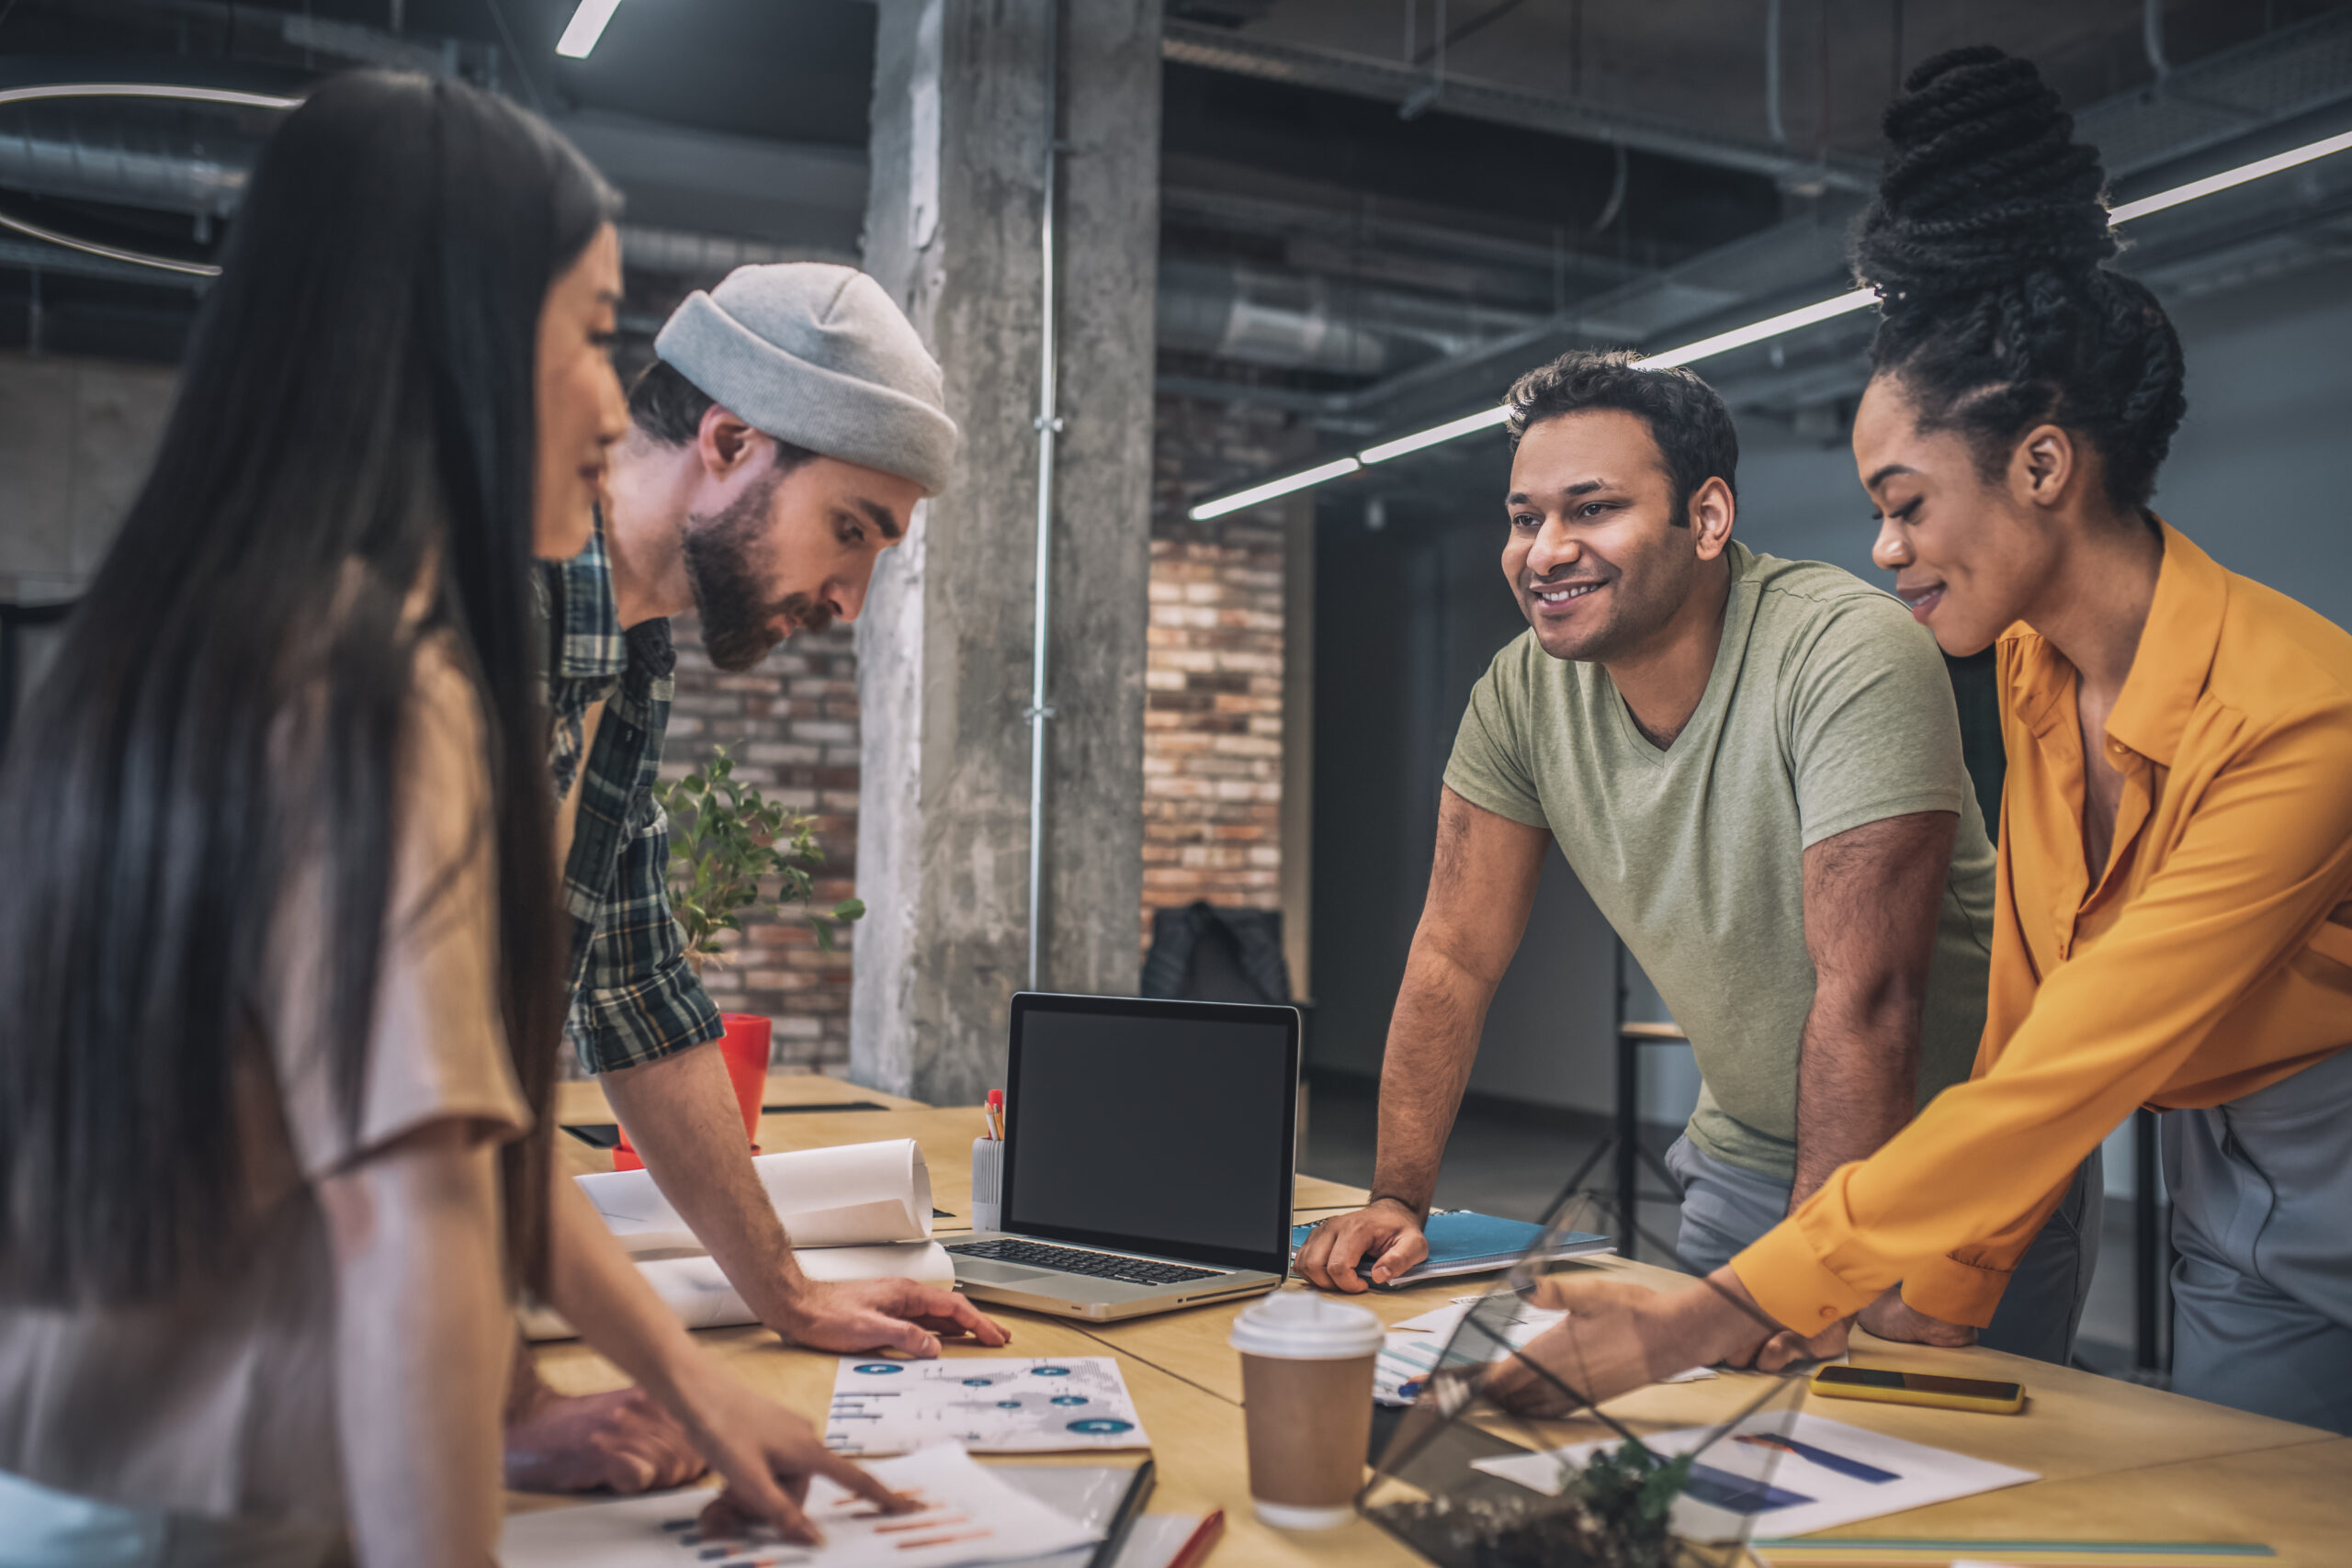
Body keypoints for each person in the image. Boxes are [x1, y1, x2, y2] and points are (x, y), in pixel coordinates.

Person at [0, 73, 903, 1564]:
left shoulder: (210, 624)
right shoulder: (385, 676)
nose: (618, 406)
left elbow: (497, 1106)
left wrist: (710, 1365)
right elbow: (414, 1211)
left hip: (88, 1459)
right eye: (588, 336)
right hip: (206, 1492)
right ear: (451, 341)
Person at [1500, 48, 2352, 1436]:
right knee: (2244, 1500)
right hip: (2226, 1190)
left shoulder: (2301, 717)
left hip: (2331, 1144)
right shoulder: (2029, 670)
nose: (1883, 549)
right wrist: (1938, 1294)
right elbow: (2023, 1013)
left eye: (1903, 503)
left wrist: (1730, 1301)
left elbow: (2083, 1057)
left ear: (2041, 467)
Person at [1294, 350, 2101, 1365]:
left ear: (1708, 519)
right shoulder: (1518, 692)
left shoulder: (1846, 651)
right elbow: (1454, 951)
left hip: (1943, 1182)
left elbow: (1871, 991)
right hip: (1735, 1169)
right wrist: (1395, 1199)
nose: (1544, 551)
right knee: (1714, 1490)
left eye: (1589, 510)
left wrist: (1807, 1277)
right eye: (1523, 516)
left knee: (1945, 1505)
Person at [503, 264, 1011, 1493]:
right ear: (731, 439)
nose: (850, 599)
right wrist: (508, 1404)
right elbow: (405, 1073)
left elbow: (641, 1001)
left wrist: (786, 1293)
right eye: (853, 529)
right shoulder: (480, 606)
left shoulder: (626, 657)